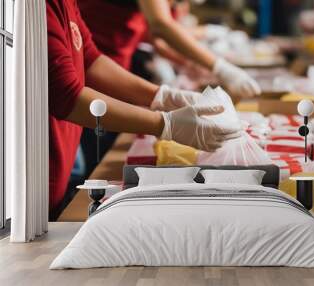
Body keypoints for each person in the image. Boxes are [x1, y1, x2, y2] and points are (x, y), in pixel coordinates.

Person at [47, 0, 240, 218]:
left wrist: (163, 97)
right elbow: (66, 96)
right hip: (43, 163)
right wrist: (165, 124)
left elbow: (90, 58)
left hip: (65, 144)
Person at [78, 0, 261, 99]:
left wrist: (187, 62)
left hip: (112, 61)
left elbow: (156, 37)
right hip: (92, 62)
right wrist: (221, 68)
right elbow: (160, 25)